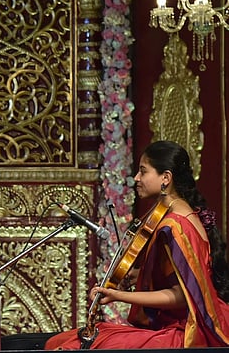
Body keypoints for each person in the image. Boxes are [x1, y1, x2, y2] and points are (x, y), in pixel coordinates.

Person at [46, 140, 229, 349]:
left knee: (76, 344)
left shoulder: (176, 225)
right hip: (178, 325)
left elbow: (180, 295)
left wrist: (118, 295)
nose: (136, 178)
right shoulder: (180, 214)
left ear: (166, 178)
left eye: (143, 171)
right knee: (63, 340)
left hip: (187, 332)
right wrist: (140, 275)